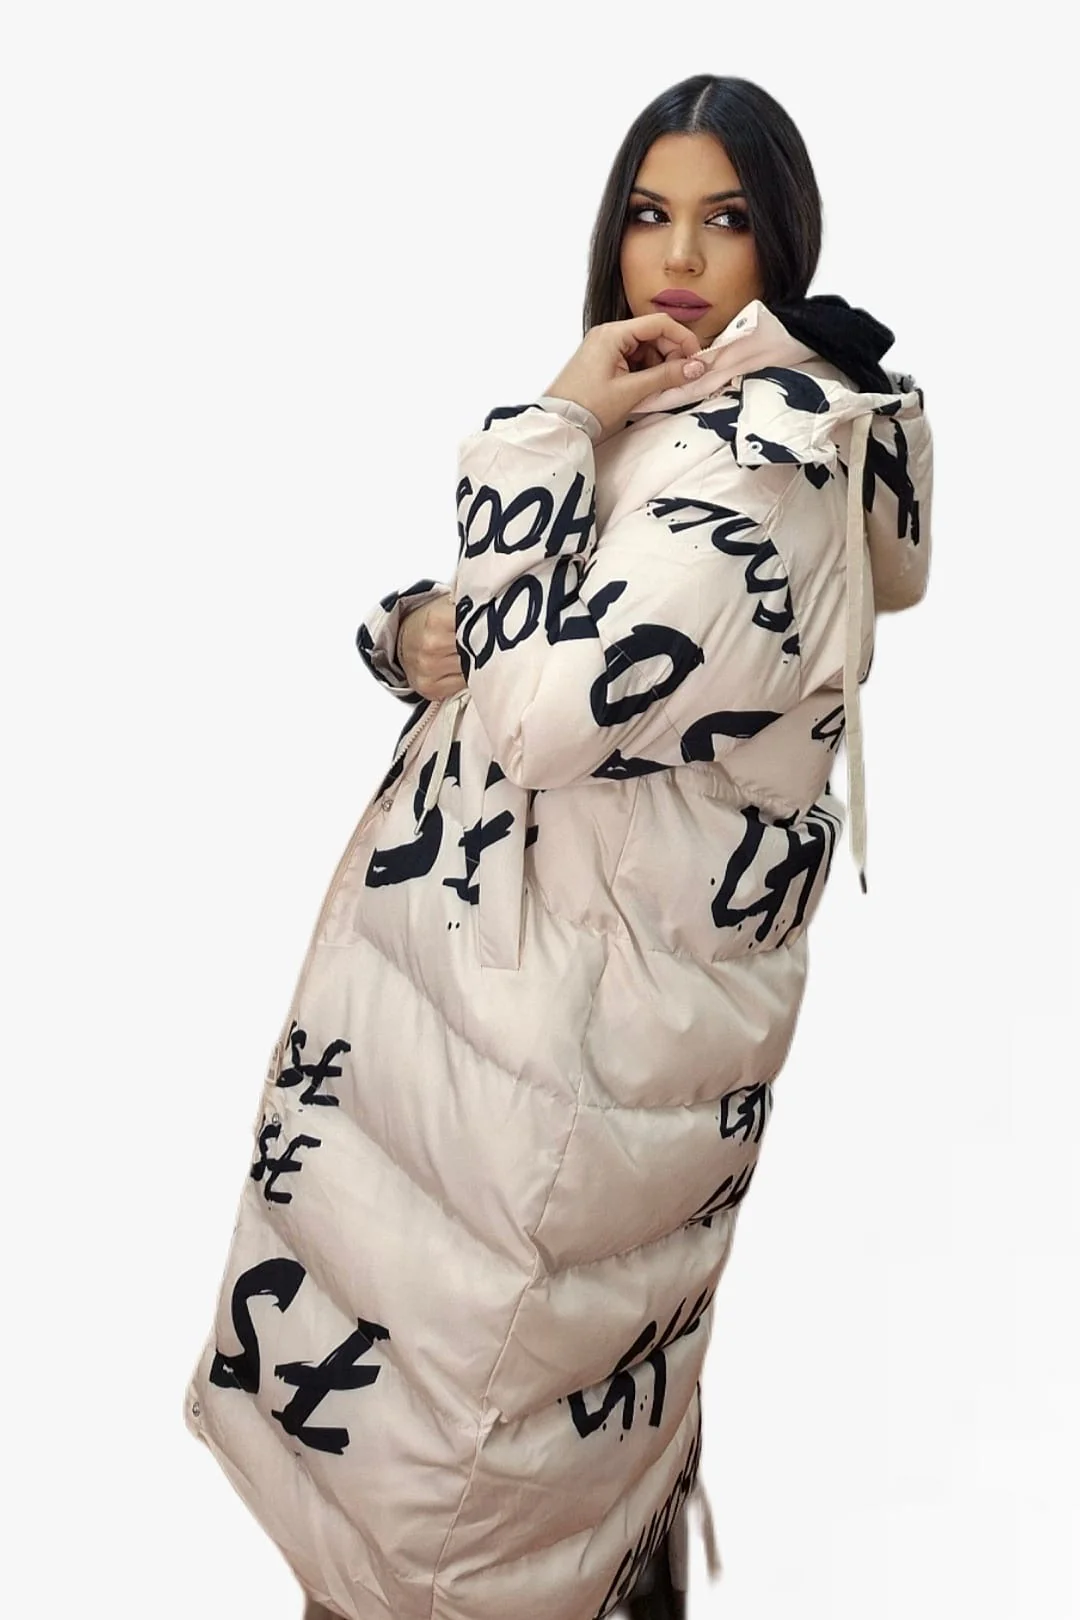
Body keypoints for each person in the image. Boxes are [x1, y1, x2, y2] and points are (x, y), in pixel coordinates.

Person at [183, 73, 932, 1620]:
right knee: (438, 1501)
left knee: (462, 1523)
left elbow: (532, 713)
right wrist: (420, 626)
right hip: (496, 1050)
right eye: (650, 214)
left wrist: (544, 426)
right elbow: (504, 640)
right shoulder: (689, 419)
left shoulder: (766, 470)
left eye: (725, 219)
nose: (679, 254)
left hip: (557, 1076)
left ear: (783, 242)